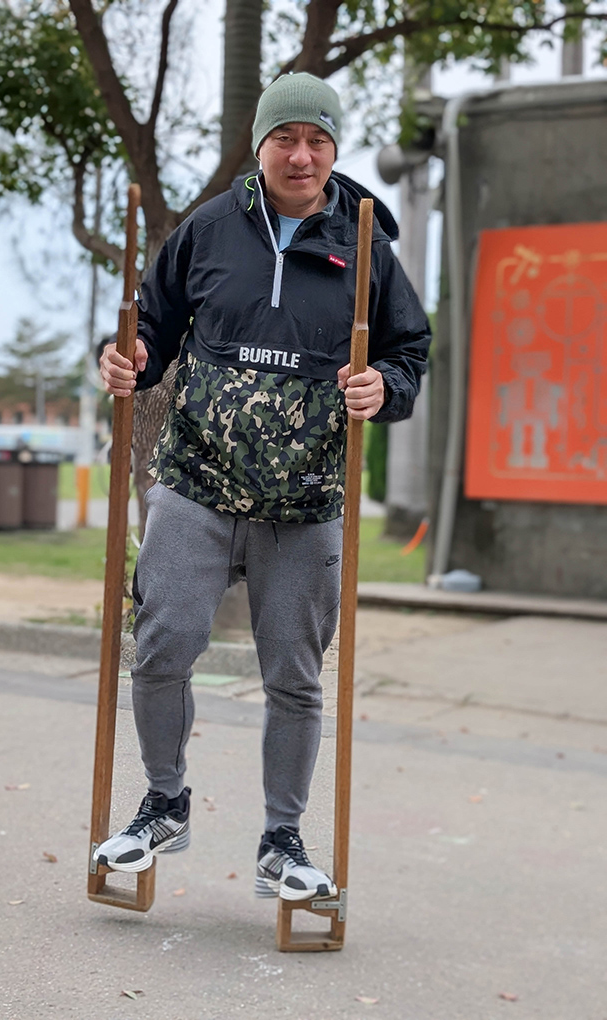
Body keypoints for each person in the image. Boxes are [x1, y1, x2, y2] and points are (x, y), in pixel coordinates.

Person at [97, 73, 431, 901]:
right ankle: (163, 803)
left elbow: (410, 353)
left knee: (294, 676)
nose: (302, 153)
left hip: (306, 501)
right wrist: (126, 360)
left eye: (317, 139)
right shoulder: (208, 229)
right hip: (195, 484)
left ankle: (282, 838)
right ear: (260, 145)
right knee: (161, 648)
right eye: (285, 138)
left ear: (334, 150)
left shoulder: (365, 246)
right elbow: (152, 331)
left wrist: (383, 387)